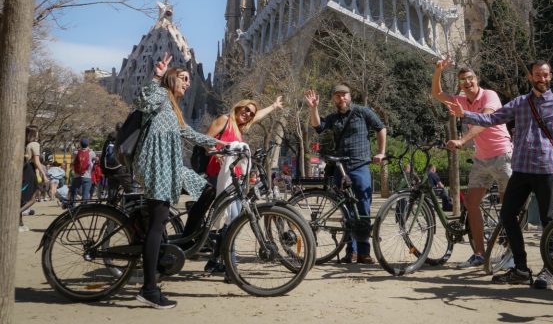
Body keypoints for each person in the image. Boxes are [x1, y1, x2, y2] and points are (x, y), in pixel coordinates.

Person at [447, 60, 553, 290]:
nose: (541, 79)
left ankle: (548, 270)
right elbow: (493, 118)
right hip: (521, 168)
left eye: (545, 75)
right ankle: (521, 268)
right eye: (537, 75)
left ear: (550, 76)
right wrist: (465, 113)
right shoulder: (520, 103)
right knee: (507, 215)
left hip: (545, 169)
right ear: (531, 77)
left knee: (549, 221)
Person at [133, 53, 227, 309]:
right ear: (171, 79)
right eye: (183, 79)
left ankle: (185, 240)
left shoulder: (173, 107)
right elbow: (141, 100)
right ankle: (149, 289)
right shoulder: (161, 96)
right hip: (158, 166)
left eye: (189, 80)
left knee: (206, 190)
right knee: (157, 223)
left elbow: (188, 133)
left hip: (171, 166)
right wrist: (156, 76)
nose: (188, 83)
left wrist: (221, 145)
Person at [187, 95, 284, 274]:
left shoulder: (240, 129)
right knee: (231, 219)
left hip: (236, 179)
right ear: (238, 107)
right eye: (245, 109)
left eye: (250, 113)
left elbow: (257, 116)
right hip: (219, 175)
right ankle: (231, 267)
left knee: (232, 219)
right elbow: (205, 139)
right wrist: (216, 153)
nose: (247, 114)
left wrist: (273, 106)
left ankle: (215, 261)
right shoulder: (225, 120)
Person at [433, 59, 511, 269]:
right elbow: (437, 94)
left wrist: (462, 140)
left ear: (477, 80)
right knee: (471, 203)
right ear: (460, 85)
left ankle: (511, 254)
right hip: (481, 158)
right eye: (462, 80)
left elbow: (485, 121)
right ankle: (479, 253)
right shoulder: (461, 100)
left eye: (470, 79)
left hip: (501, 154)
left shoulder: (489, 95)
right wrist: (438, 71)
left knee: (509, 207)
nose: (467, 83)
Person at [304, 84, 386, 264]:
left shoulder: (363, 112)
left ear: (350, 96)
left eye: (344, 95)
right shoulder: (334, 117)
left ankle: (364, 252)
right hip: (340, 168)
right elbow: (318, 126)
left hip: (360, 165)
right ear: (333, 99)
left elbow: (381, 128)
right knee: (346, 211)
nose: (342, 99)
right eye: (337, 96)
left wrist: (381, 152)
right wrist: (314, 108)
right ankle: (351, 251)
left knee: (363, 208)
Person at [20, 126, 48, 231]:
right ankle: (16, 215)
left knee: (22, 198)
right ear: (34, 134)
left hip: (24, 170)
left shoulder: (26, 145)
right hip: (30, 171)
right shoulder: (35, 144)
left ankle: (20, 223)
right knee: (33, 197)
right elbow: (36, 161)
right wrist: (44, 174)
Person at [70, 138, 96, 203]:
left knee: (74, 192)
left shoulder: (76, 152)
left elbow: (73, 161)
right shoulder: (91, 153)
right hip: (87, 176)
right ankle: (83, 208)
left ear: (80, 144)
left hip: (77, 176)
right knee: (85, 194)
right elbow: (94, 160)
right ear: (88, 144)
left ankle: (72, 206)